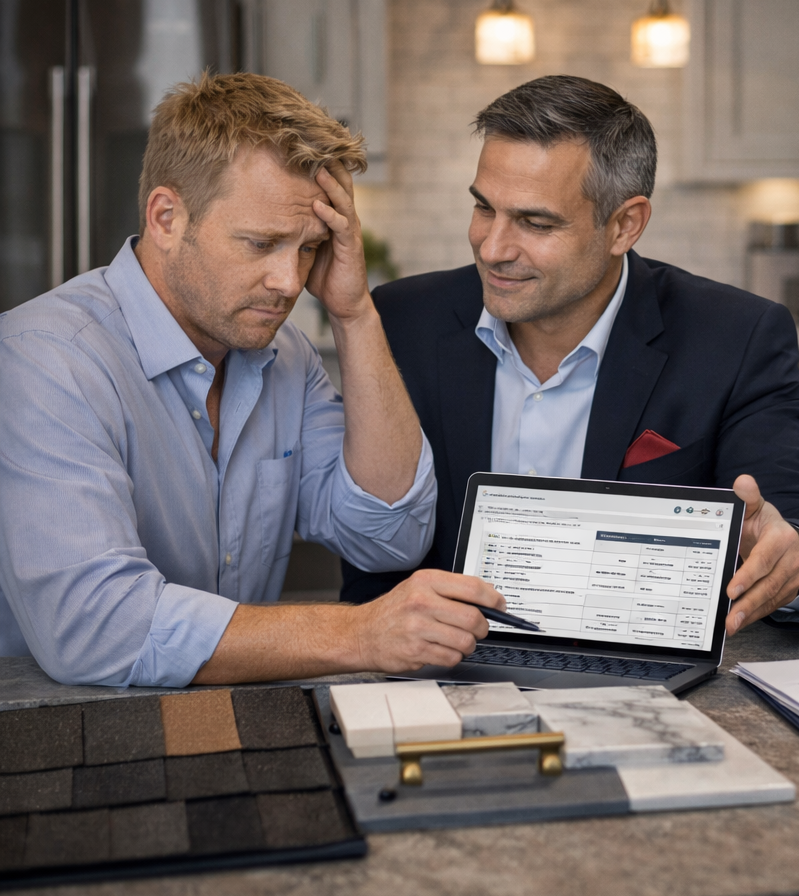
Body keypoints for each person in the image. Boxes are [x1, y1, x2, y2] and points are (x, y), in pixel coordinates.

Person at [0, 73, 509, 688]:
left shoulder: (285, 356)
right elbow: (96, 627)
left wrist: (353, 312)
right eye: (262, 243)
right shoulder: (45, 360)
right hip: (59, 740)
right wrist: (362, 634)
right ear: (166, 217)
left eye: (308, 248)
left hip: (236, 718)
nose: (290, 282)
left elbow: (389, 538)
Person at [340, 75, 799, 635]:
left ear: (625, 225)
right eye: (483, 208)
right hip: (431, 673)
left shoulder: (734, 336)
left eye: (535, 222)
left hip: (642, 685)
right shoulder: (399, 321)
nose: (492, 248)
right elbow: (369, 556)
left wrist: (798, 558)